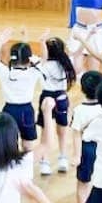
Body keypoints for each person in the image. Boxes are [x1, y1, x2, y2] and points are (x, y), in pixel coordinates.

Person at [36, 35, 76, 176]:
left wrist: (41, 42)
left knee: (45, 131)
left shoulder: (42, 64)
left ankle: (45, 162)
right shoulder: (67, 63)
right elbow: (76, 53)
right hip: (61, 97)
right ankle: (63, 158)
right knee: (62, 131)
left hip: (46, 97)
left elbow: (42, 57)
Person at [69, 70, 102, 203]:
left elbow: (76, 134)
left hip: (87, 149)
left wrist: (77, 156)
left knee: (83, 183)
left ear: (82, 89)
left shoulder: (79, 110)